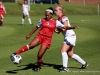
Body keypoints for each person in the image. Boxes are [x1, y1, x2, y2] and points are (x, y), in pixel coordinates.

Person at [11, 7, 65, 72]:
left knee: (39, 55)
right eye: (46, 15)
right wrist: (30, 34)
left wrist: (71, 28)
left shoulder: (56, 21)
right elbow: (36, 27)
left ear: (51, 14)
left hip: (47, 39)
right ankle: (16, 53)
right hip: (40, 36)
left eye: (48, 15)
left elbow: (64, 27)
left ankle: (38, 67)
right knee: (31, 45)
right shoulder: (42, 20)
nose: (46, 16)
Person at [54, 6, 88, 72]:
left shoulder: (64, 17)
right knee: (70, 54)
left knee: (62, 51)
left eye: (56, 10)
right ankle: (84, 63)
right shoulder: (58, 20)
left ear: (60, 10)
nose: (55, 12)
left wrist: (59, 30)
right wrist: (57, 31)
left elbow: (65, 27)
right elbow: (61, 30)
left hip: (69, 36)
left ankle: (65, 68)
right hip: (70, 36)